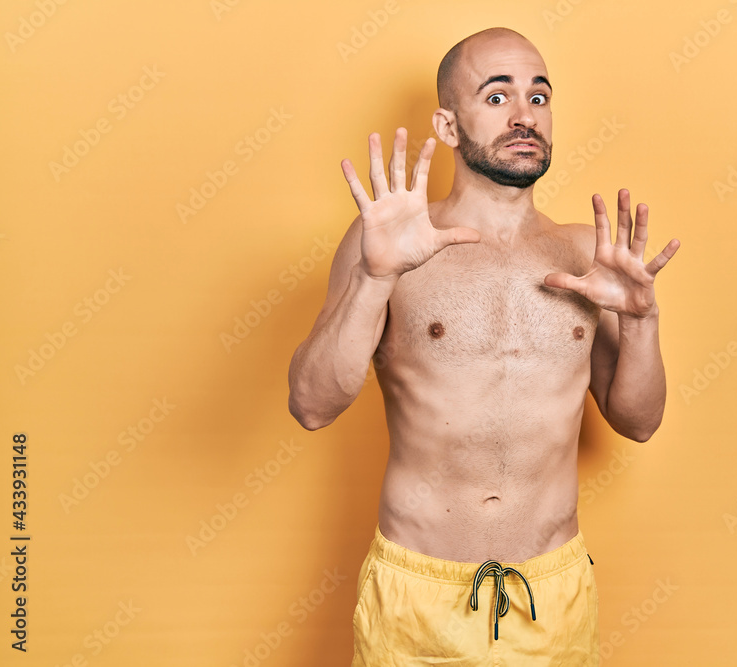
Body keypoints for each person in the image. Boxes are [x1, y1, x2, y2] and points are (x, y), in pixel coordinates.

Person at [287, 26, 680, 666]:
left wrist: (641, 321)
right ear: (446, 125)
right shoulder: (387, 240)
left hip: (550, 601)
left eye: (539, 97)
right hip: (416, 598)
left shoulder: (587, 255)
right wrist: (374, 277)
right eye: (497, 97)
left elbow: (639, 422)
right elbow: (311, 405)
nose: (525, 116)